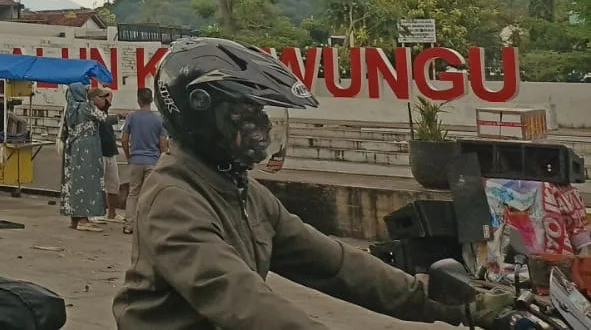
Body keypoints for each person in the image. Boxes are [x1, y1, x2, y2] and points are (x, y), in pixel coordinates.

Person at [114, 37, 512, 330]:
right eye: (245, 113)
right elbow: (239, 299)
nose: (262, 126)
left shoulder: (245, 192)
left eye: (261, 112)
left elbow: (336, 264)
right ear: (202, 115)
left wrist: (456, 304)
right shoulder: (173, 198)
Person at [119, 85, 167, 235]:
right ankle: (145, 227)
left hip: (136, 160)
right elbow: (163, 144)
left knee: (133, 193)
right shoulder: (159, 119)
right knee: (149, 195)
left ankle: (129, 225)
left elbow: (124, 139)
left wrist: (128, 156)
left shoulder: (132, 117)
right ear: (151, 100)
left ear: (138, 100)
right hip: (153, 161)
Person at [59, 82, 106, 232]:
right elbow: (103, 118)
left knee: (75, 182)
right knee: (86, 182)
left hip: (73, 149)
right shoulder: (85, 107)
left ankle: (75, 219)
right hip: (87, 149)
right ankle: (83, 220)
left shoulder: (69, 108)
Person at [92, 87, 123, 222]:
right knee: (98, 184)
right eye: (102, 97)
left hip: (110, 151)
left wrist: (105, 95)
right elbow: (106, 120)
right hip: (99, 151)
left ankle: (112, 213)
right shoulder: (92, 112)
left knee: (114, 184)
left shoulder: (104, 109)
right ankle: (96, 211)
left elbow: (110, 94)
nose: (106, 99)